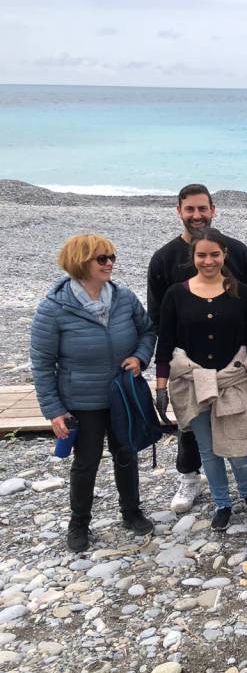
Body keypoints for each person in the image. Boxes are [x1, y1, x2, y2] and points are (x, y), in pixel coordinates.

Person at [148, 183, 247, 514]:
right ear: (178, 211)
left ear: (213, 210)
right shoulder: (164, 260)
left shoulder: (237, 252)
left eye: (203, 209)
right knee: (195, 431)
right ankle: (190, 475)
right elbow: (159, 320)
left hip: (234, 364)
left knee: (243, 422)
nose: (197, 215)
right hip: (189, 365)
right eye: (190, 209)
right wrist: (162, 378)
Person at [31, 235, 157, 552]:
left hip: (121, 394)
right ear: (80, 262)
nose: (110, 263)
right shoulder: (54, 308)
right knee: (86, 462)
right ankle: (79, 524)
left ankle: (131, 512)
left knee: (126, 455)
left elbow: (148, 330)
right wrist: (53, 409)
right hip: (81, 400)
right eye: (102, 258)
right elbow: (42, 363)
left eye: (112, 256)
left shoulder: (124, 297)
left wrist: (140, 357)